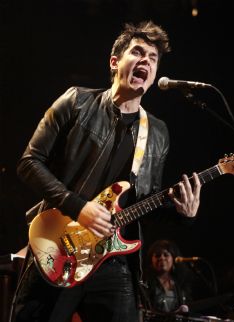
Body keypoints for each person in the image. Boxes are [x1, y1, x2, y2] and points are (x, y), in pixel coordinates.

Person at [11, 20, 202, 322]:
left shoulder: (157, 132)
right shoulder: (76, 101)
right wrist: (79, 208)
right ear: (115, 62)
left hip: (114, 264)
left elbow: (146, 203)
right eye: (138, 53)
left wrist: (184, 214)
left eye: (153, 59)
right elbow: (29, 162)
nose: (147, 62)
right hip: (60, 247)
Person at [141, 239, 194, 315]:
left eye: (166, 255)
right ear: (151, 260)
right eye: (157, 255)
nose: (162, 258)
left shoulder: (181, 283)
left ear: (174, 259)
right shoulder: (145, 282)